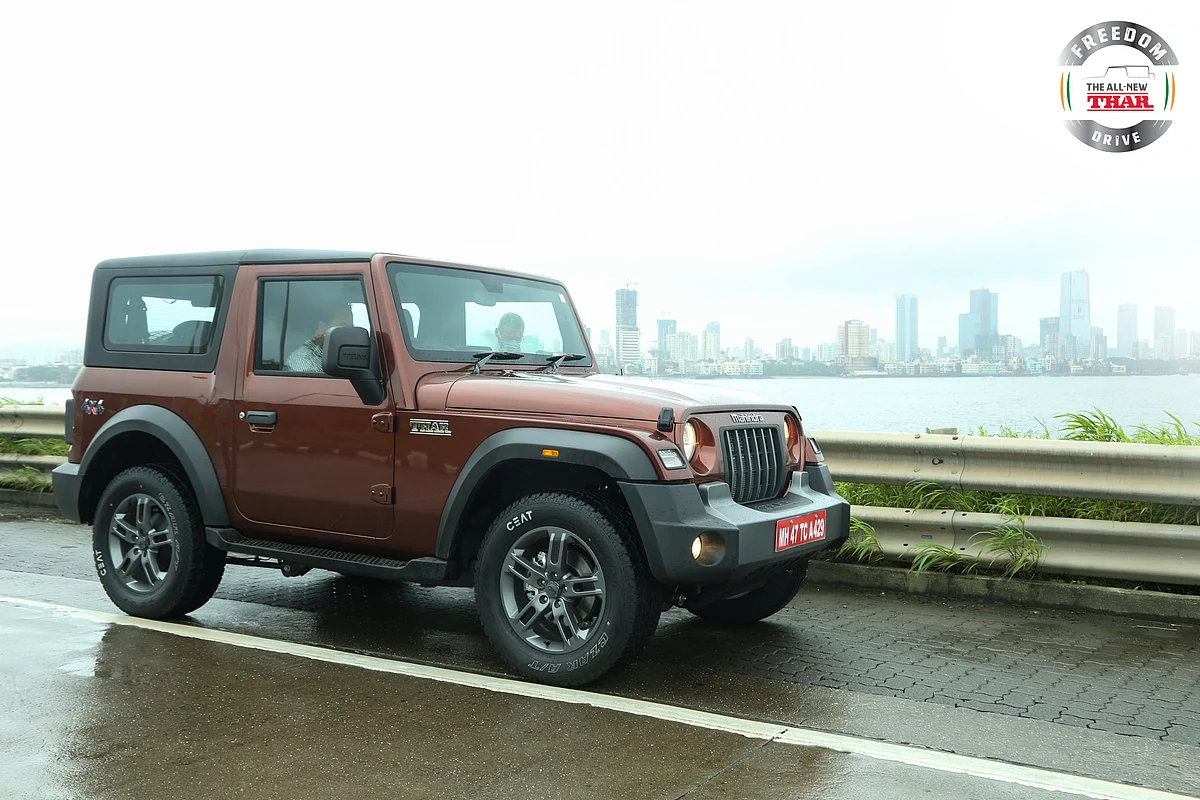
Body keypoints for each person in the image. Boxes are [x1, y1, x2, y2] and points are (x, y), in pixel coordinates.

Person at [286, 303, 354, 372]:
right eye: (342, 326)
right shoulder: (303, 361)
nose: (348, 333)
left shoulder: (345, 358)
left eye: (351, 327)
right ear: (322, 327)